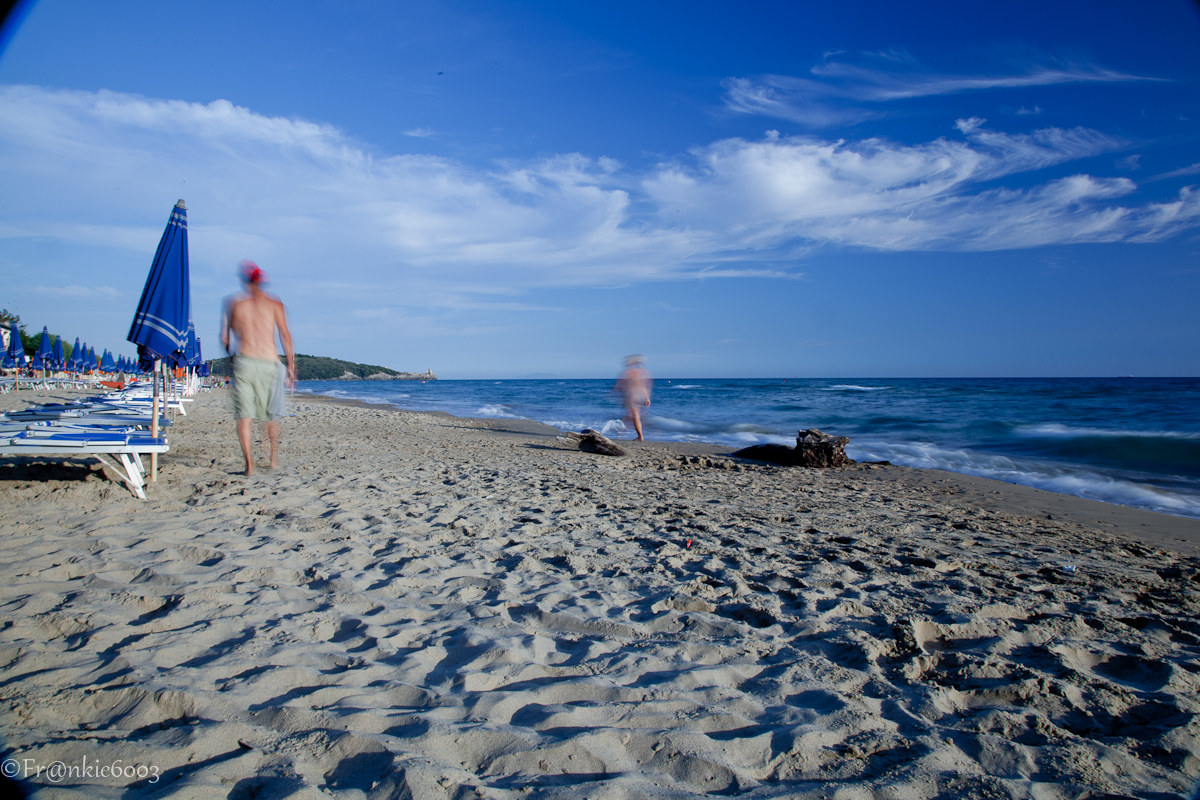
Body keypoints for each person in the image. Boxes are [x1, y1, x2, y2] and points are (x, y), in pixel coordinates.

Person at [220, 260, 296, 475]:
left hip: (244, 360)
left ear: (245, 281)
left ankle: (249, 465)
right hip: (268, 362)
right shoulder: (274, 304)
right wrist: (291, 366)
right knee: (270, 415)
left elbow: (226, 338)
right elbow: (285, 336)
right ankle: (272, 460)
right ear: (262, 282)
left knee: (244, 416)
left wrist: (231, 355)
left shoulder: (234, 303)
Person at [615, 354, 652, 441]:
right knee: (631, 416)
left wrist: (615, 391)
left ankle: (639, 436)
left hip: (631, 397)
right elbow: (643, 386)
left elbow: (619, 385)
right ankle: (622, 433)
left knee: (634, 417)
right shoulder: (642, 372)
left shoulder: (628, 372)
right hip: (639, 397)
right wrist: (647, 398)